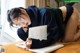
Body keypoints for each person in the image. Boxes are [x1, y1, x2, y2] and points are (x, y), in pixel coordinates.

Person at [7, 5, 80, 49]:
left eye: (20, 19)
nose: (22, 24)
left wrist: (34, 44)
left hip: (70, 13)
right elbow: (27, 36)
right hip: (57, 17)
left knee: (66, 40)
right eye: (18, 24)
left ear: (23, 11)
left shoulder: (45, 13)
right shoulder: (25, 25)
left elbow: (53, 37)